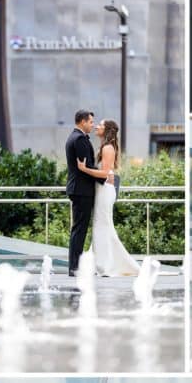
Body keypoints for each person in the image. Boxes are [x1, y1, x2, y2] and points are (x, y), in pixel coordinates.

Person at [76, 119, 140, 277]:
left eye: (100, 125)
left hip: (105, 190)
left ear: (106, 130)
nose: (97, 126)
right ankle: (100, 262)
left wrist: (84, 169)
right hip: (102, 189)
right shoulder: (105, 147)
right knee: (102, 226)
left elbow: (105, 174)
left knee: (102, 225)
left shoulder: (108, 148)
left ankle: (103, 265)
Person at [64, 110, 101, 277]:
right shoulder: (79, 139)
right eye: (91, 122)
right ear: (82, 122)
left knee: (78, 229)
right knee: (79, 230)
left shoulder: (74, 137)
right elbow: (84, 168)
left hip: (79, 189)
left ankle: (75, 266)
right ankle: (75, 267)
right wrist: (105, 177)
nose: (92, 125)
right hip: (81, 190)